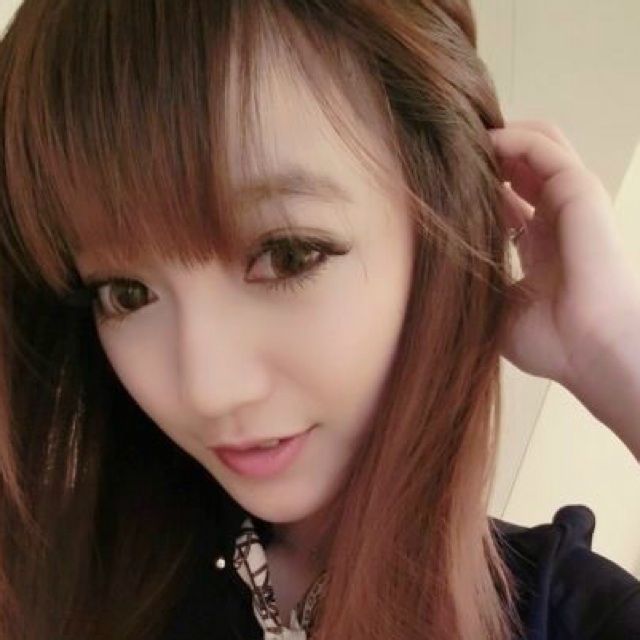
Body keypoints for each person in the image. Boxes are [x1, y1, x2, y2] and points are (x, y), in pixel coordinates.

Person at [0, 1, 638, 639]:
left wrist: (610, 348)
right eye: (126, 293)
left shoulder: (562, 615)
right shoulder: (64, 579)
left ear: (438, 231)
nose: (207, 390)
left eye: (287, 255)